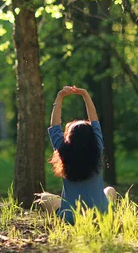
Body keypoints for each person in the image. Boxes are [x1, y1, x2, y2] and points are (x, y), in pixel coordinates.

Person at [35, 86, 117, 224]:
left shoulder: (63, 151)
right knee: (110, 191)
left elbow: (54, 126)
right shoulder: (97, 149)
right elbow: (95, 120)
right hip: (100, 216)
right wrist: (85, 94)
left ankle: (58, 224)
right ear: (92, 136)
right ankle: (107, 220)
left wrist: (60, 97)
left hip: (71, 218)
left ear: (69, 138)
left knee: (44, 197)